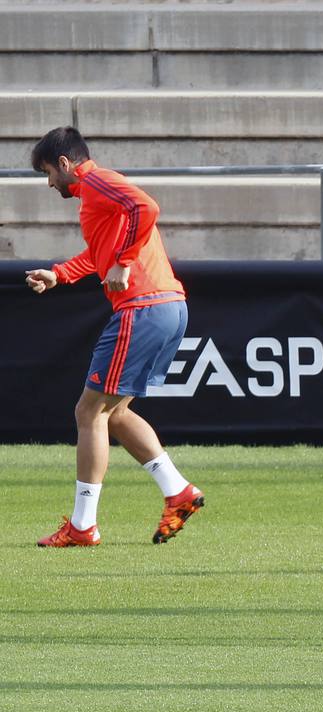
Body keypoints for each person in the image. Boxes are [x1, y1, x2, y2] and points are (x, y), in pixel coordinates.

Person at [24, 126, 203, 548]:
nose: (50, 182)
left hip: (142, 307)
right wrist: (59, 274)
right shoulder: (96, 196)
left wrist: (123, 262)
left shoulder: (96, 181)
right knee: (115, 413)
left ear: (65, 164)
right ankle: (178, 492)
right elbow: (98, 253)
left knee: (89, 412)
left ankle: (83, 526)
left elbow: (148, 206)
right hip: (168, 306)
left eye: (49, 172)